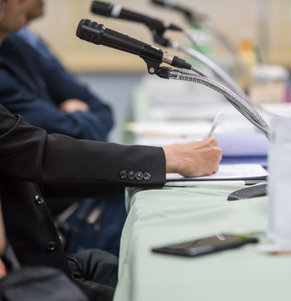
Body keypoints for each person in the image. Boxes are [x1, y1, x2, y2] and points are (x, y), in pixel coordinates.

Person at [0, 1, 222, 300]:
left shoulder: (16, 44)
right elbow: (39, 152)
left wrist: (159, 162)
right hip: (31, 260)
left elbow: (91, 114)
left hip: (45, 251)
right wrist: (166, 158)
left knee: (169, 266)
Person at [0, 0, 121, 255]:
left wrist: (72, 117)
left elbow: (101, 109)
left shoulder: (17, 44)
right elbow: (72, 135)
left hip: (65, 194)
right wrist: (70, 115)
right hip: (56, 211)